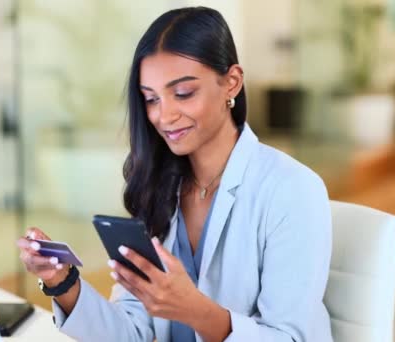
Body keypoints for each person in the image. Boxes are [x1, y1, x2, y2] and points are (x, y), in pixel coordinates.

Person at [17, 6, 332, 342]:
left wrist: (193, 309)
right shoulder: (160, 186)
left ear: (232, 83)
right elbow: (130, 331)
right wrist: (62, 282)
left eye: (183, 93)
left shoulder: (292, 189)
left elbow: (290, 338)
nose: (163, 116)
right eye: (151, 99)